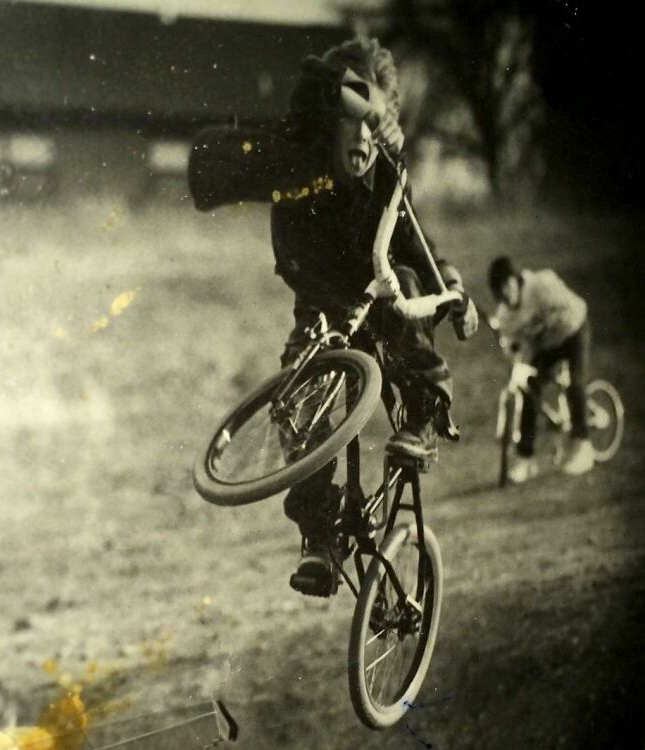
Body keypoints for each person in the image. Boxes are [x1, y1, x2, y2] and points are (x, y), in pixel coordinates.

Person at [189, 37, 479, 596]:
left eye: (378, 124)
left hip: (386, 303)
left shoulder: (389, 178)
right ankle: (320, 536)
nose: (365, 137)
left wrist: (456, 291)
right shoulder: (302, 161)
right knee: (296, 393)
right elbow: (304, 96)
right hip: (325, 311)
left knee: (410, 285)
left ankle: (421, 419)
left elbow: (420, 245)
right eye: (355, 119)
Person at [487, 255, 594, 482]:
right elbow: (512, 344)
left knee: (576, 384)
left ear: (515, 280)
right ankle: (526, 459)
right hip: (547, 345)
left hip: (573, 331)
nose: (507, 294)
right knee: (529, 390)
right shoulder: (505, 316)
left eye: (508, 285)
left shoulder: (542, 284)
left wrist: (539, 328)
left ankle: (583, 445)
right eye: (501, 290)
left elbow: (567, 310)